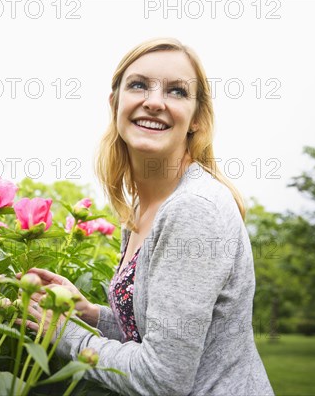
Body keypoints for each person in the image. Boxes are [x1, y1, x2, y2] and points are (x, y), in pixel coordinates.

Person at [23, 38, 275, 395]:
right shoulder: (145, 206)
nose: (154, 102)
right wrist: (89, 315)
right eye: (138, 85)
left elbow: (162, 378)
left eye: (176, 91)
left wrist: (64, 333)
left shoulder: (193, 209)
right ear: (115, 103)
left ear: (197, 120)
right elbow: (160, 335)